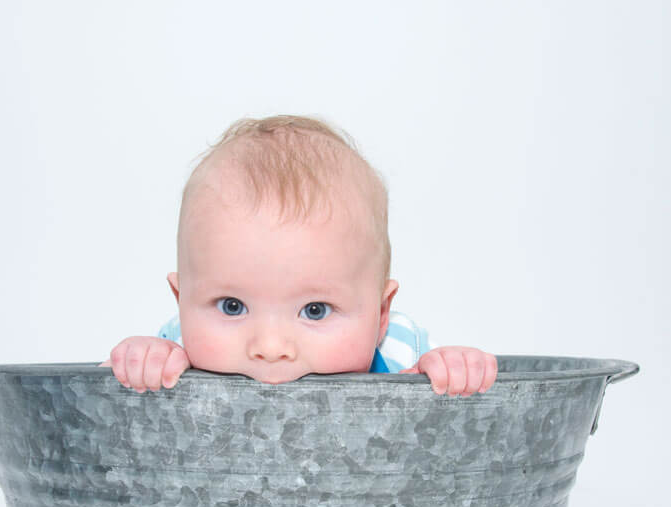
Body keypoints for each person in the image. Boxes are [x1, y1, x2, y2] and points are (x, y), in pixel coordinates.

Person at [100, 115, 497, 397]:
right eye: (233, 306)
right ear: (181, 301)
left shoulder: (399, 348)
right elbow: (92, 412)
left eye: (315, 310)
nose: (271, 347)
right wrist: (136, 366)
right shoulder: (177, 349)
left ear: (379, 316)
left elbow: (434, 436)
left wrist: (450, 372)